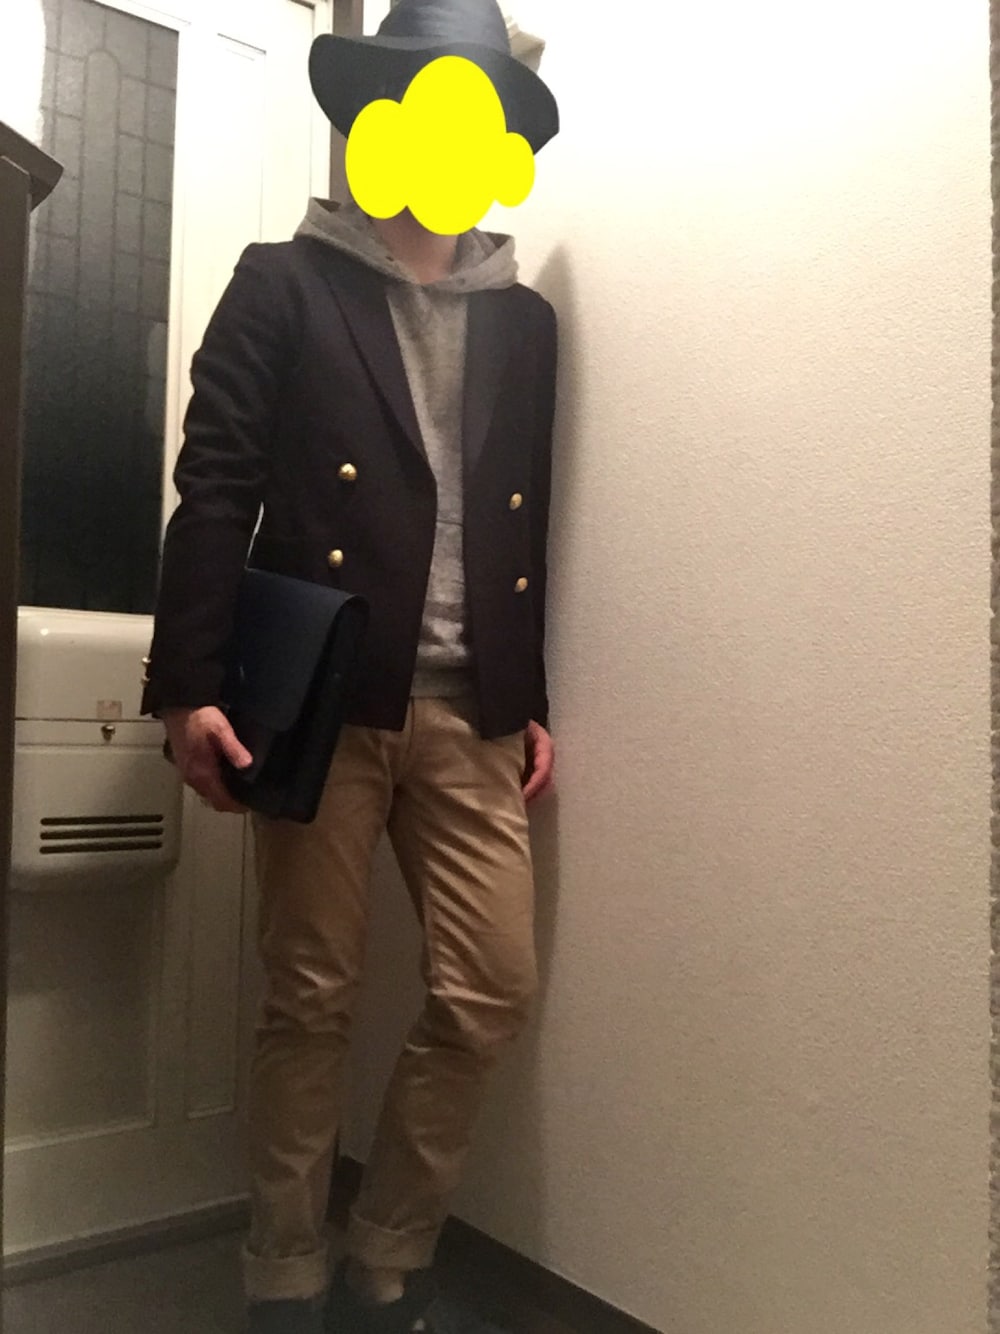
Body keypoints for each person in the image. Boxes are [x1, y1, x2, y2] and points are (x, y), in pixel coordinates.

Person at [140, 1, 559, 1331]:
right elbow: (215, 486)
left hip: (471, 711)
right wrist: (189, 684)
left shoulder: (526, 321)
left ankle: (390, 1250)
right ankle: (284, 1275)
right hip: (323, 698)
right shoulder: (284, 281)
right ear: (381, 117)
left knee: (489, 990)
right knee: (310, 999)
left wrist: (529, 696)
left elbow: (522, 517)